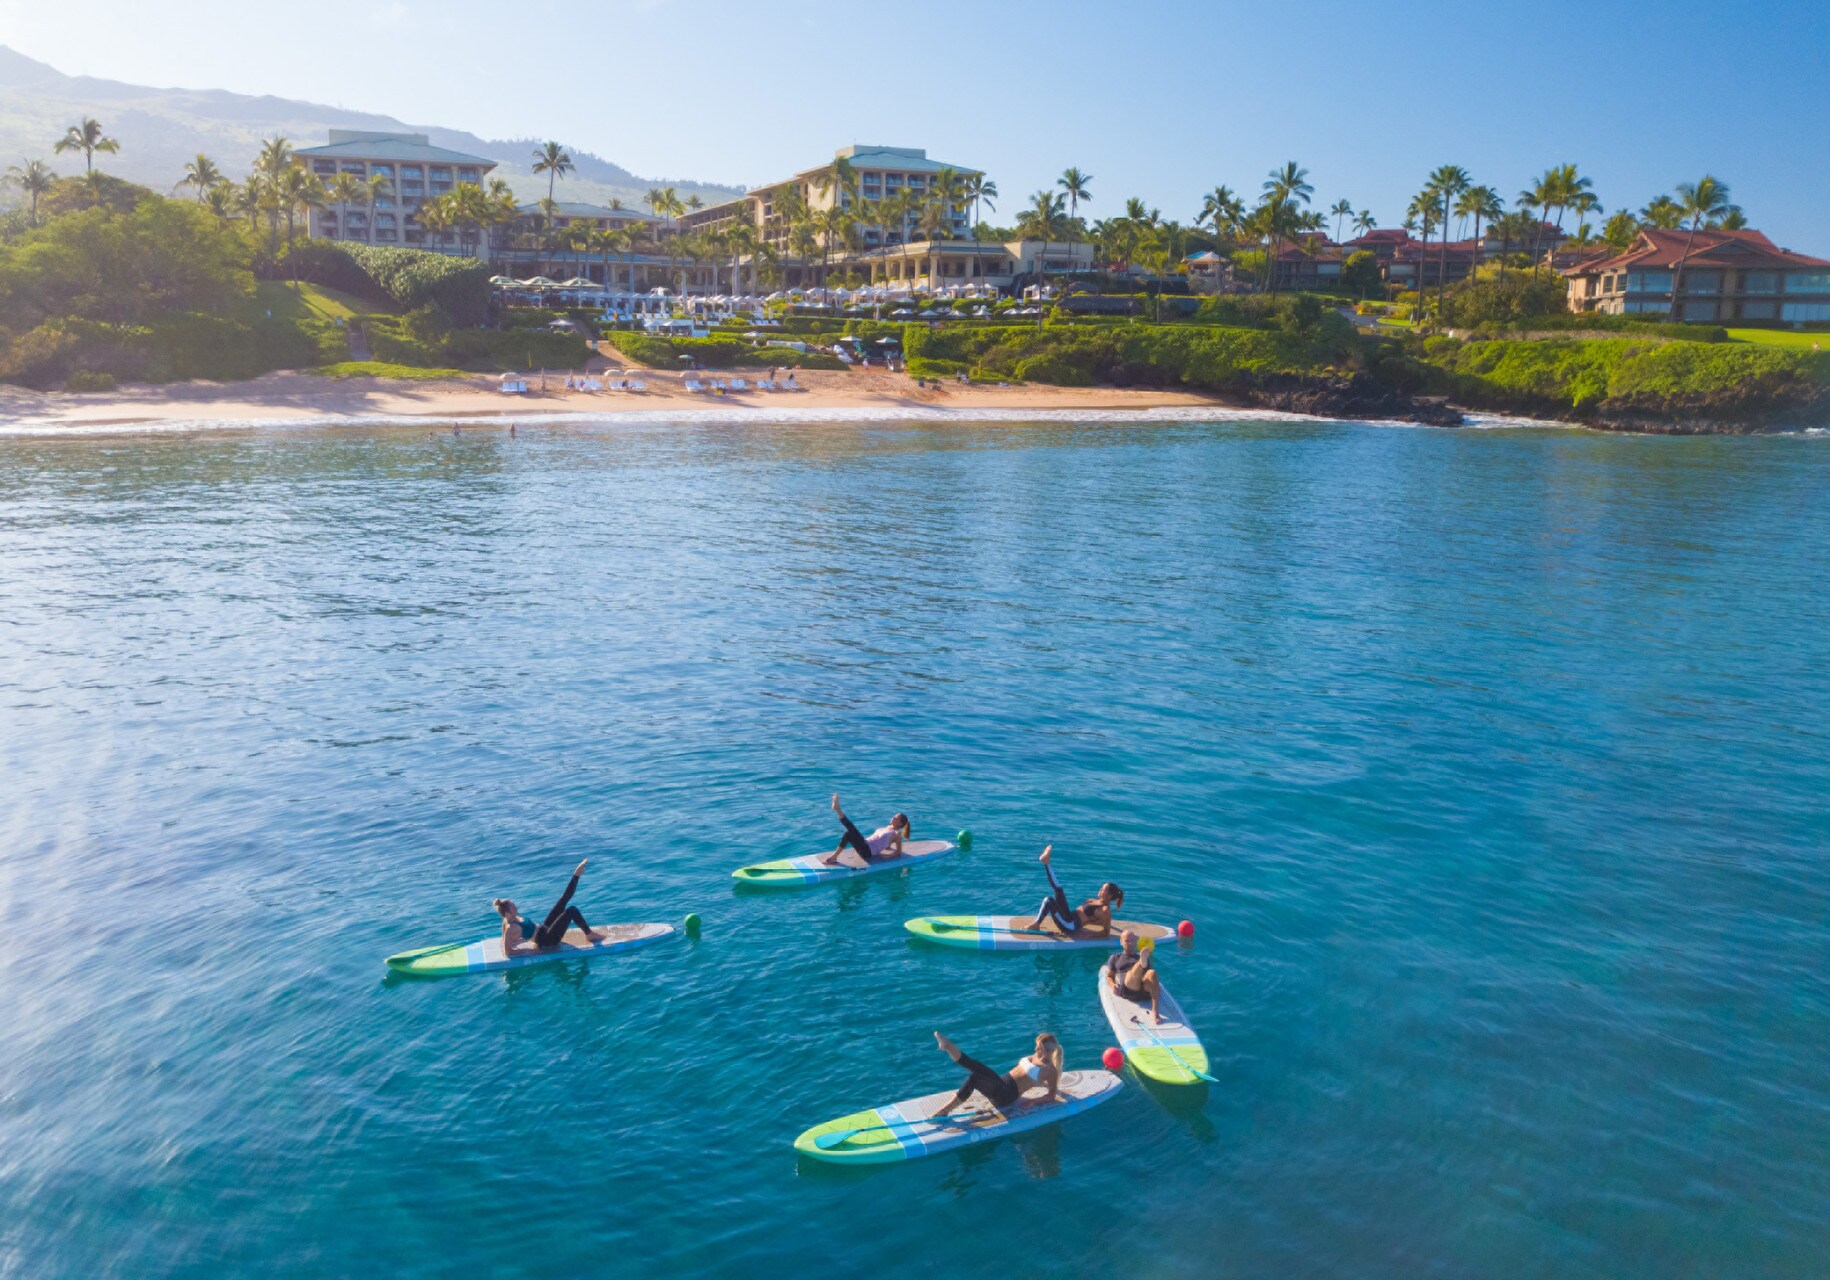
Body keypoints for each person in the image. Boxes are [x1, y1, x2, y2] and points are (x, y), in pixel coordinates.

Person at [931, 1031, 1062, 1120]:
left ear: (1048, 1051)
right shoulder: (1036, 1057)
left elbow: (1051, 1095)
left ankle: (945, 1110)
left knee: (974, 1078)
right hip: (1001, 1083)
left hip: (1007, 1096)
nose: (1035, 1050)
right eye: (1036, 1046)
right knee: (975, 1066)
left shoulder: (1050, 1070)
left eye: (1039, 1048)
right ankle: (947, 1046)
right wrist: (1039, 1083)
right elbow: (1032, 1077)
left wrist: (1033, 1101)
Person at [493, 859, 604, 955]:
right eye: (513, 907)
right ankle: (589, 934)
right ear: (508, 913)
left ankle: (576, 875)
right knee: (571, 910)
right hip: (548, 940)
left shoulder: (507, 919)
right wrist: (529, 951)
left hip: (545, 929)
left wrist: (515, 941)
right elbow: (508, 951)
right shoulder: (510, 928)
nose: (516, 907)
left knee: (562, 901)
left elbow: (505, 939)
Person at [1024, 845, 1123, 936]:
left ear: (1109, 896)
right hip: (1069, 916)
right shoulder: (1095, 900)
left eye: (1103, 889)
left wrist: (1089, 936)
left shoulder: (1105, 910)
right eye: (1101, 887)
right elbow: (1095, 920)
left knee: (1049, 900)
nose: (1100, 890)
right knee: (1059, 890)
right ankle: (1047, 863)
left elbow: (1106, 932)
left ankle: (1036, 925)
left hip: (1069, 926)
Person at [819, 793, 910, 867]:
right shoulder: (887, 828)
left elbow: (898, 852)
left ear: (900, 824)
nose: (893, 817)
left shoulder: (896, 834)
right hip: (865, 845)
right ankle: (834, 857)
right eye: (894, 816)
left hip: (868, 852)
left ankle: (838, 809)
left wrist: (888, 856)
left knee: (851, 828)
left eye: (896, 818)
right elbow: (884, 842)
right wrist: (887, 847)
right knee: (848, 833)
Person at [1105, 931, 1162, 1024]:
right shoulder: (1115, 957)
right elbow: (1109, 976)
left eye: (1132, 940)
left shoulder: (1142, 956)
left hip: (1144, 991)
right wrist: (1113, 985)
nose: (1130, 943)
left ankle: (1155, 1010)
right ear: (1121, 942)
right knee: (1131, 974)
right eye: (1127, 941)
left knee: (1152, 972)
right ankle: (1140, 963)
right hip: (1129, 989)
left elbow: (1151, 978)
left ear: (1135, 942)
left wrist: (1156, 987)